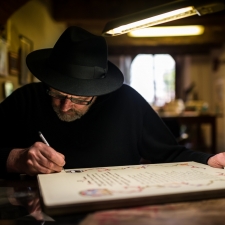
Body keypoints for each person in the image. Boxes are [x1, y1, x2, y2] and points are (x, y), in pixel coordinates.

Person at [0, 26, 224, 178]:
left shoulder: (127, 101)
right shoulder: (25, 99)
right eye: (57, 94)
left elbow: (170, 152)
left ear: (99, 90)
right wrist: (15, 159)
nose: (65, 106)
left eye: (80, 99)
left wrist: (208, 160)